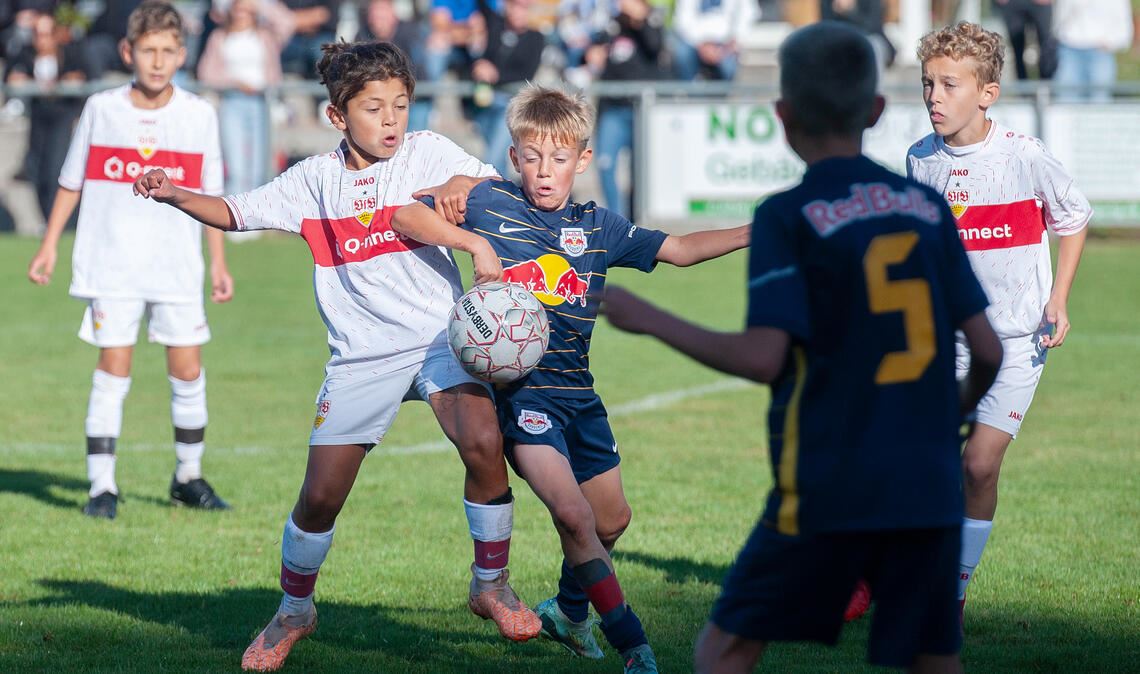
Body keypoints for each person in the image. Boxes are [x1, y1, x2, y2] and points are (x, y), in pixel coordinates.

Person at [600, 21, 1005, 674]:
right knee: (934, 659)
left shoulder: (787, 215)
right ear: (874, 110)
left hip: (829, 475)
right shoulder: (926, 206)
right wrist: (949, 412)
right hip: (925, 478)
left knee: (725, 649)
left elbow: (765, 357)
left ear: (782, 116)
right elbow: (987, 350)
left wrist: (651, 319)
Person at [132, 40, 543, 672]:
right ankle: (294, 611)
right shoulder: (312, 183)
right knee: (321, 496)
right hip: (362, 359)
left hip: (442, 340)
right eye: (374, 108)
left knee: (484, 445)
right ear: (336, 116)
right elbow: (237, 212)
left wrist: (463, 183)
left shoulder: (426, 151)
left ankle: (490, 585)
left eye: (400, 105)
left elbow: (485, 184)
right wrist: (175, 193)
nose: (390, 120)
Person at [391, 84, 751, 673]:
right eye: (531, 157)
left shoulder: (599, 225)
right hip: (522, 398)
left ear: (583, 160)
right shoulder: (490, 203)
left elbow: (680, 248)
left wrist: (753, 232)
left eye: (559, 159)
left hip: (579, 396)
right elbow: (407, 213)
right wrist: (465, 229)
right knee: (574, 517)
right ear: (514, 157)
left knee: (611, 519)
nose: (544, 171)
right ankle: (634, 645)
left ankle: (566, 610)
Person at [909, 21, 1091, 623]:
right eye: (928, 84)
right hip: (947, 342)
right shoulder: (920, 159)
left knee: (979, 463)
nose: (935, 97)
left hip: (1016, 341)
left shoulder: (1024, 156)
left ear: (987, 93)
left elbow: (1072, 217)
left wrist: (1058, 299)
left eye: (949, 85)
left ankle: (953, 591)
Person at [26, 0, 234, 521]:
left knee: (187, 369)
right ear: (128, 51)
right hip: (111, 263)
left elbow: (211, 195)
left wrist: (218, 263)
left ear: (182, 54)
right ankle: (102, 486)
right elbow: (71, 181)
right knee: (112, 367)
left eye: (168, 51)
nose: (158, 61)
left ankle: (188, 475)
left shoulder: (198, 114)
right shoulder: (102, 108)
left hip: (176, 265)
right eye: (148, 51)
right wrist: (50, 244)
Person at [197, 0, 295, 195]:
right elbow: (206, 73)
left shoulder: (265, 36)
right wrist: (235, 83)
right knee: (236, 165)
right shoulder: (219, 37)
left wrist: (260, 5)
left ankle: (258, 217)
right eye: (238, 8)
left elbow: (287, 22)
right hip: (232, 101)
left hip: (262, 103)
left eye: (246, 9)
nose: (242, 13)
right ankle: (234, 217)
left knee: (260, 164)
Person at [5, 11, 93, 220]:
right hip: (38, 116)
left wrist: (73, 80)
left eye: (46, 34)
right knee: (35, 168)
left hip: (61, 116)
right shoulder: (25, 54)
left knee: (55, 168)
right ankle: (48, 219)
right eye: (37, 34)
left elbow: (86, 76)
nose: (41, 40)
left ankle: (58, 220)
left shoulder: (71, 53)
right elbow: (12, 76)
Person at [1052, 0, 1135, 102]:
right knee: (1066, 100)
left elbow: (1125, 27)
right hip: (1069, 49)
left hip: (1100, 53)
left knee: (1098, 101)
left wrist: (1111, 42)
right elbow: (1059, 18)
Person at [992, 0, 1056, 81]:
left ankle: (1045, 89)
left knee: (1047, 48)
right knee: (1017, 51)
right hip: (1012, 4)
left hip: (1041, 4)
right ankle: (1023, 91)